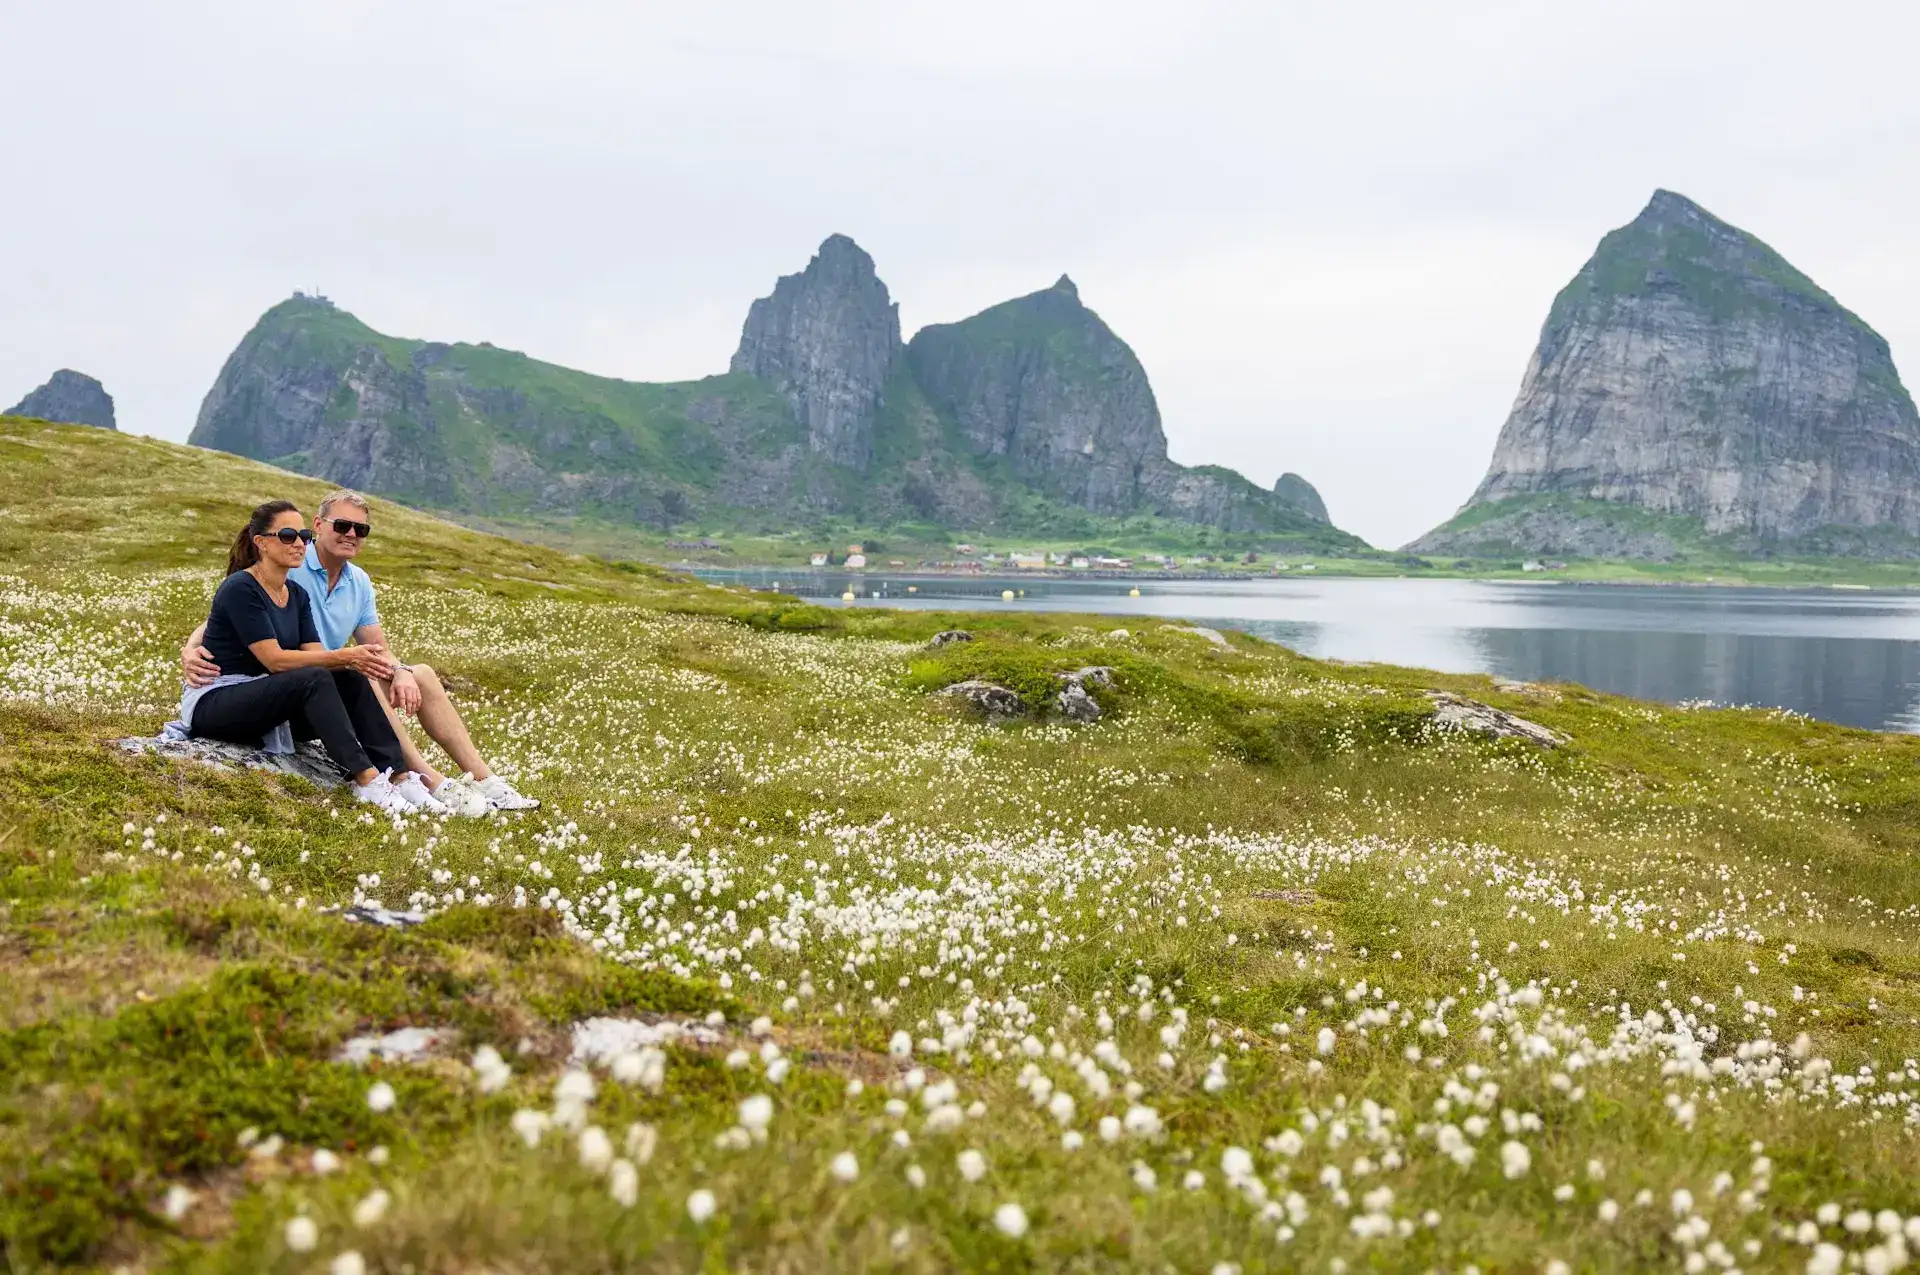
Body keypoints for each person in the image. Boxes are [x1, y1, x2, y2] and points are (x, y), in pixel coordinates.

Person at [181, 489, 539, 814]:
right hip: (260, 684)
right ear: (319, 525)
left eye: (361, 530)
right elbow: (227, 618)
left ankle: (474, 779)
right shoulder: (282, 570)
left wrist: (399, 671)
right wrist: (190, 647)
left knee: (415, 673)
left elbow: (368, 648)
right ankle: (411, 778)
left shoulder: (342, 583)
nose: (351, 534)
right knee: (346, 674)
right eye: (342, 525)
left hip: (304, 681)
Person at [179, 500, 421, 816]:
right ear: (261, 542)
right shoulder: (241, 588)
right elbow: (275, 661)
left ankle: (398, 776)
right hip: (215, 703)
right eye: (288, 535)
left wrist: (350, 662)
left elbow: (316, 656)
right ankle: (367, 780)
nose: (299, 544)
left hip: (263, 701)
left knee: (346, 676)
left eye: (303, 536)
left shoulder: (296, 594)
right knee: (318, 675)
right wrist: (347, 654)